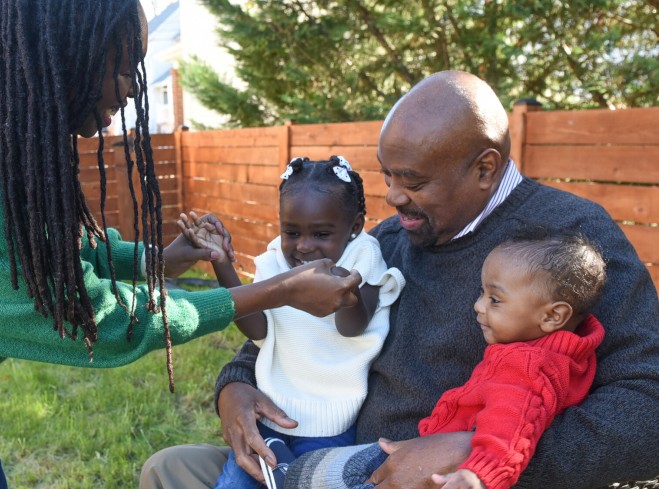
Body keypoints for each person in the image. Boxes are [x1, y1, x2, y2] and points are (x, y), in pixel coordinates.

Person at [0, 2, 362, 488]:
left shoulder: (12, 119)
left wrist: (155, 261)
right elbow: (101, 322)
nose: (133, 87)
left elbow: (48, 248)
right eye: (123, 67)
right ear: (68, 51)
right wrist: (279, 290)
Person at [139, 70, 659, 489]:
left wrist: (474, 453)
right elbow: (291, 331)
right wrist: (235, 388)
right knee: (170, 469)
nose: (392, 197)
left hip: (459, 476)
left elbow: (647, 409)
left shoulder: (569, 240)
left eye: (414, 181)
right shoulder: (384, 241)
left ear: (484, 168)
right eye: (387, 175)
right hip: (327, 458)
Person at [283, 230, 606, 489]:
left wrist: (478, 475)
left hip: (441, 475)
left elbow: (512, 428)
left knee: (305, 475)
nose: (478, 306)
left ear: (553, 316)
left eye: (494, 299)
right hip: (427, 458)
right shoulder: (568, 351)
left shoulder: (527, 367)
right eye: (482, 293)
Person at [181, 155, 405, 489]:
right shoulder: (275, 260)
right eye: (291, 231)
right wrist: (222, 263)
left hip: (331, 429)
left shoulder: (364, 255)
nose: (303, 246)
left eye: (321, 234)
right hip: (268, 418)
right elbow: (258, 330)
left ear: (355, 226)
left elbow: (351, 327)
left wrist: (341, 283)